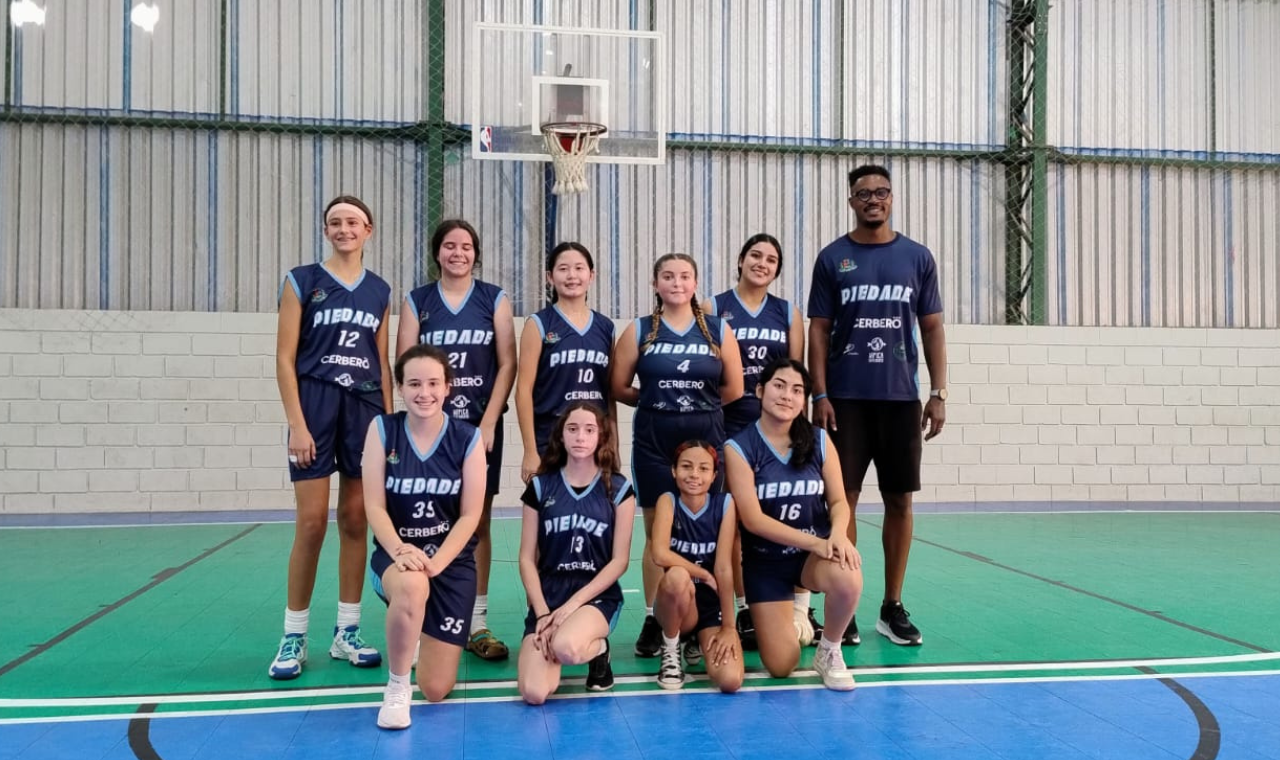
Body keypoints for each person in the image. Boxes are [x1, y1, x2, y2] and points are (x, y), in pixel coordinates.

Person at [807, 164, 948, 647]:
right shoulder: (833, 258)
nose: (873, 199)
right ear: (851, 201)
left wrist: (938, 391)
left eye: (881, 192)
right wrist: (819, 394)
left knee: (900, 501)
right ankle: (843, 605)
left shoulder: (917, 258)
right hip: (844, 401)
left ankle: (891, 605)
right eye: (864, 193)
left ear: (891, 198)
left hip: (900, 400)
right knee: (841, 503)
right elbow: (819, 331)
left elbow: (931, 327)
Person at [270, 195, 390, 680]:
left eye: (352, 222)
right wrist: (297, 422)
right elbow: (283, 357)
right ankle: (294, 635)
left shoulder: (380, 290)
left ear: (369, 230)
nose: (344, 229)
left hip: (362, 407)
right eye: (335, 223)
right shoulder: (303, 280)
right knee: (313, 522)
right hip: (315, 402)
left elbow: (382, 364)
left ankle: (347, 631)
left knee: (357, 519)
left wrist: (387, 426)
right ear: (326, 231)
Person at [610, 253, 744, 658]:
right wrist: (660, 402)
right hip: (655, 439)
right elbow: (618, 386)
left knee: (708, 529)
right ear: (655, 284)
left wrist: (694, 404)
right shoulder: (640, 330)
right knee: (657, 534)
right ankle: (655, 617)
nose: (676, 282)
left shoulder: (717, 330)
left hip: (704, 438)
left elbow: (734, 389)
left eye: (685, 275)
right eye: (668, 276)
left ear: (695, 281)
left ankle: (706, 618)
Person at [397, 220, 517, 661]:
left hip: (477, 429)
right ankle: (422, 610)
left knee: (476, 521)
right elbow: (405, 363)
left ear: (475, 253)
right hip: (429, 430)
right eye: (449, 246)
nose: (458, 253)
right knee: (424, 519)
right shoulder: (418, 301)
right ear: (437, 253)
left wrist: (487, 423)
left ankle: (476, 620)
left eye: (466, 246)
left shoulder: (494, 299)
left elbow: (508, 364)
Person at [361, 344, 486, 728]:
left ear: (448, 387)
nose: (424, 392)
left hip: (450, 561)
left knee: (435, 687)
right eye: (414, 383)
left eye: (433, 383)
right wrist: (399, 549)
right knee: (413, 586)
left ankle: (414, 628)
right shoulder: (383, 429)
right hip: (397, 556)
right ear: (400, 387)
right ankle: (397, 688)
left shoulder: (468, 438)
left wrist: (437, 563)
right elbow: (374, 506)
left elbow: (470, 516)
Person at [702, 234, 812, 651]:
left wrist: (802, 431)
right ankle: (746, 605)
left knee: (791, 511)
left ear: (777, 269)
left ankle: (799, 604)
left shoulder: (787, 313)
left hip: (779, 430)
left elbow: (796, 374)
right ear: (741, 259)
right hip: (731, 428)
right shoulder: (714, 307)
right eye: (755, 256)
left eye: (771, 259)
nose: (762, 263)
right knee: (734, 521)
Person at [726, 358, 862, 691]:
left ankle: (829, 649)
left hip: (808, 561)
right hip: (765, 564)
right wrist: (816, 542)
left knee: (848, 574)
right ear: (760, 391)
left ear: (804, 401)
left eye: (797, 390)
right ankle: (799, 626)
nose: (788, 395)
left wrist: (839, 536)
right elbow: (754, 520)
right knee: (781, 665)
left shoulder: (818, 441)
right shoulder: (739, 447)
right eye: (779, 385)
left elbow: (840, 502)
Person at [517, 402, 636, 703]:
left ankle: (598, 649)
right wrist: (543, 612)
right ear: (561, 436)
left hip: (594, 596)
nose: (580, 437)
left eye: (589, 429)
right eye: (572, 429)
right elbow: (526, 559)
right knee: (533, 693)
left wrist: (569, 609)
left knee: (566, 646)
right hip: (550, 595)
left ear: (601, 437)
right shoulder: (541, 487)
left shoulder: (618, 489)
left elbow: (620, 561)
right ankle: (558, 643)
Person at [515, 242, 616, 482]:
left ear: (591, 275)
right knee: (549, 515)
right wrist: (530, 451)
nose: (572, 276)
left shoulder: (605, 327)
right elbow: (523, 391)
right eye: (563, 269)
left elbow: (608, 393)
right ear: (550, 277)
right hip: (549, 437)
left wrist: (614, 444)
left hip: (594, 438)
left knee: (595, 513)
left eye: (579, 268)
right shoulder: (538, 324)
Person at [650, 441, 743, 693]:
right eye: (686, 467)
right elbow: (659, 553)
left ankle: (696, 640)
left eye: (703, 468)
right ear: (674, 471)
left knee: (730, 680)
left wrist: (729, 628)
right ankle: (671, 648)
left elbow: (723, 568)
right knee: (678, 575)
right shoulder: (667, 501)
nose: (694, 474)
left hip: (709, 605)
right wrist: (701, 572)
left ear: (714, 476)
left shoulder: (725, 504)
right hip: (677, 600)